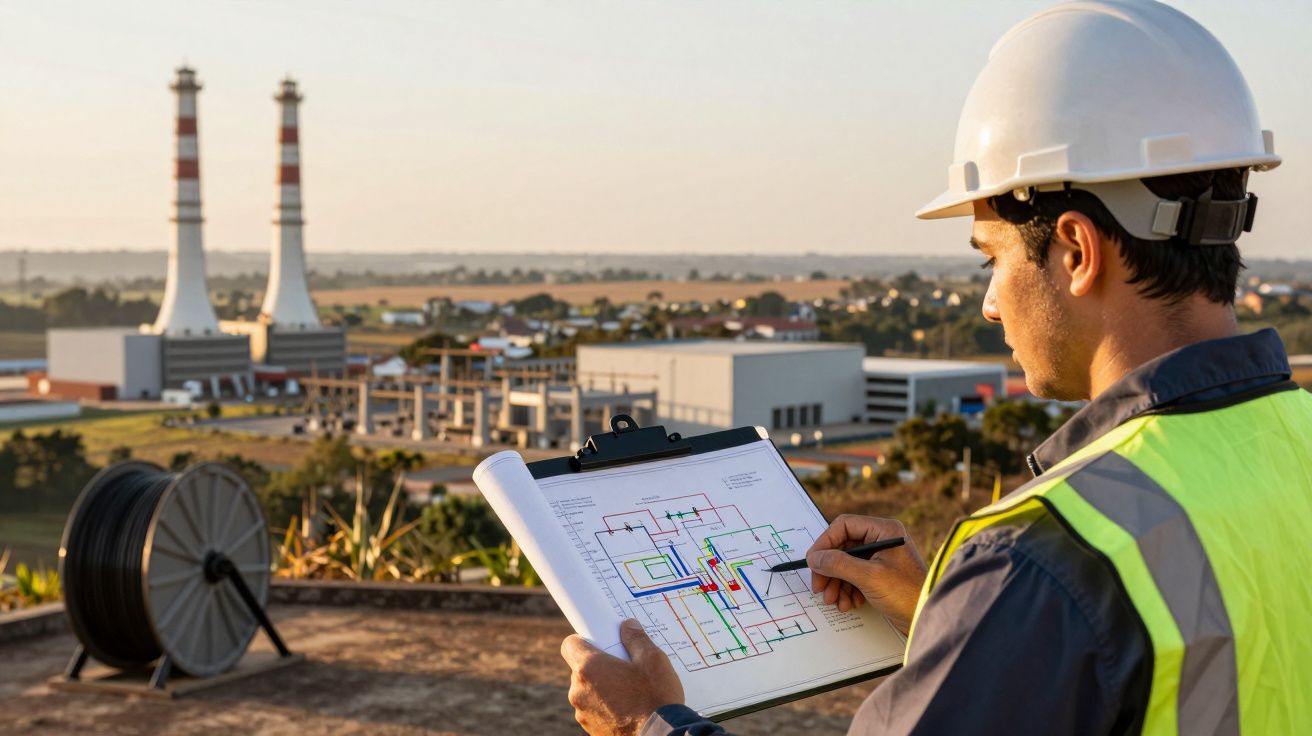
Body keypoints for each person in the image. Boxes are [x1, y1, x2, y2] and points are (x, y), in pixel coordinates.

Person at [560, 1, 1312, 733]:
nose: (990, 305)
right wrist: (959, 622)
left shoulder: (1051, 558)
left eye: (994, 257)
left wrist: (649, 726)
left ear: (1077, 253)